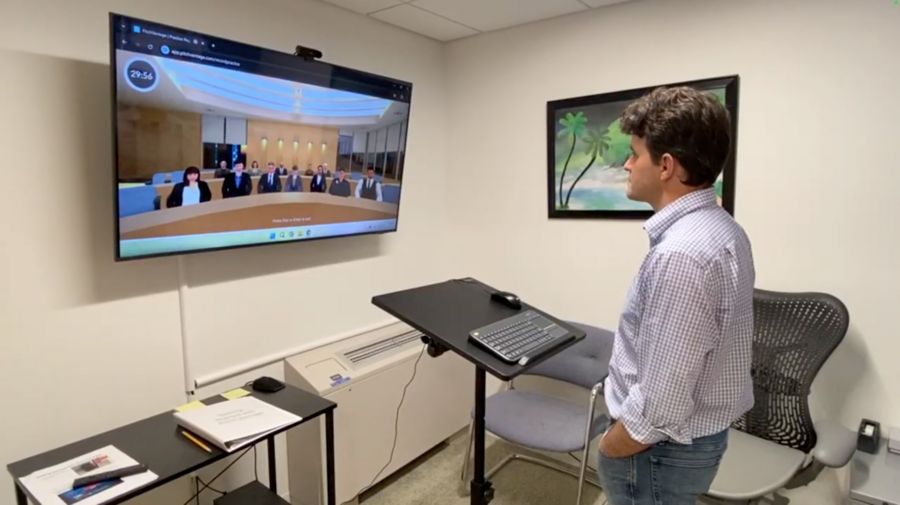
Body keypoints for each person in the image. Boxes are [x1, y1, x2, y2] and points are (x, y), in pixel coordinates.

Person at [596, 86, 754, 505]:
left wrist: (612, 445)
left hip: (658, 450)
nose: (627, 164)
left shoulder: (682, 254)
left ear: (666, 165)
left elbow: (663, 401)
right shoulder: (723, 229)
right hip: (691, 439)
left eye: (634, 153)